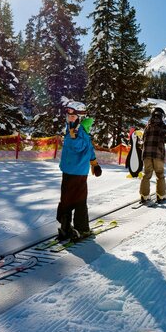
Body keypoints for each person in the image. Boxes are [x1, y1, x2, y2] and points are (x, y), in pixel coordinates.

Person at [56, 100, 102, 242]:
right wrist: (72, 133)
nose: (70, 118)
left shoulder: (79, 130)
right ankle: (66, 227)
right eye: (69, 116)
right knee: (68, 199)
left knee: (77, 200)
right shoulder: (72, 129)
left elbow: (83, 147)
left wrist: (94, 163)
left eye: (73, 116)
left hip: (78, 172)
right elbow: (85, 147)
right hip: (70, 170)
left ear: (80, 117)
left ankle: (80, 228)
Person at [139, 107, 166, 203]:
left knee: (146, 174)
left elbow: (143, 140)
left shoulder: (147, 126)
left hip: (146, 154)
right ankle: (161, 195)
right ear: (161, 116)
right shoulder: (162, 126)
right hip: (158, 154)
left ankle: (144, 195)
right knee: (160, 174)